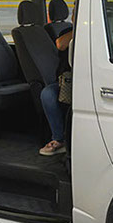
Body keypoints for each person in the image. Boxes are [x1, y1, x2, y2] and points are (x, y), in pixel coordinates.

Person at [39, 12, 75, 157]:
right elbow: (61, 45)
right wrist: (80, 27)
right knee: (48, 94)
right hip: (68, 82)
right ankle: (59, 139)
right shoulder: (68, 32)